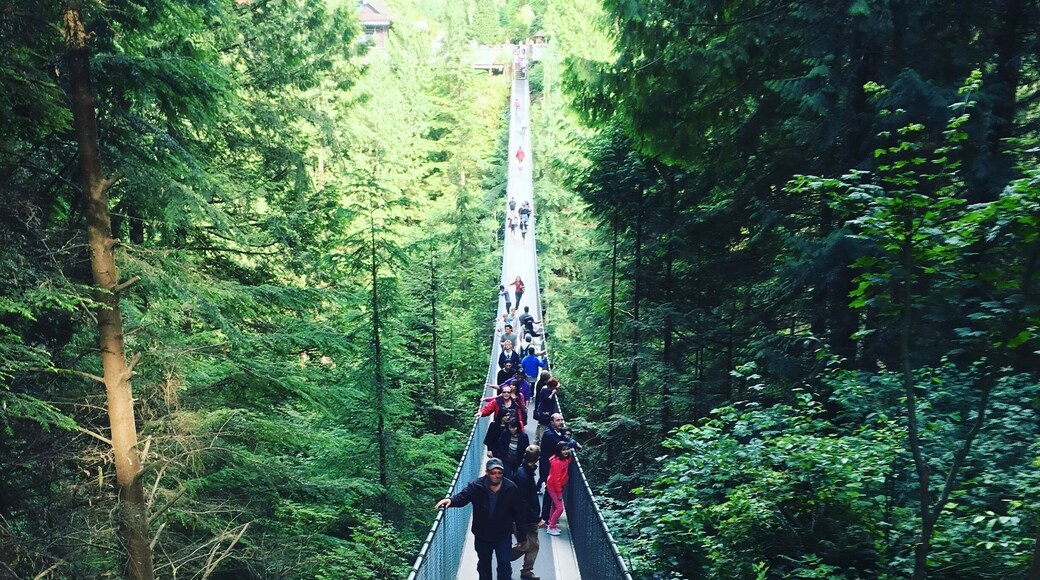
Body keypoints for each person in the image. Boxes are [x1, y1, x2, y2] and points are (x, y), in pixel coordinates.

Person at [436, 458, 527, 580]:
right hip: (482, 535)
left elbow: (519, 514)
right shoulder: (476, 486)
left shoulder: (511, 488)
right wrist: (451, 500)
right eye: (493, 473)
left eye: (499, 473)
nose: (497, 476)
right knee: (484, 565)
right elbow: (463, 497)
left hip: (503, 535)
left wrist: (521, 537)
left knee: (504, 564)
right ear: (487, 473)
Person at [511, 445, 545, 580]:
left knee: (534, 545)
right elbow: (522, 502)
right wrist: (537, 519)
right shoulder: (522, 475)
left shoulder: (527, 470)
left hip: (529, 516)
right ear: (538, 458)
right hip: (522, 517)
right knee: (526, 545)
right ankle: (503, 555)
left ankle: (526, 571)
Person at [545, 442, 573, 536]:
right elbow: (556, 479)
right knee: (560, 508)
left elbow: (568, 460)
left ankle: (551, 523)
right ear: (559, 451)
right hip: (554, 487)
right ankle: (551, 526)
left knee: (554, 505)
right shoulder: (557, 463)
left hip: (556, 485)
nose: (566, 451)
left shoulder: (563, 460)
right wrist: (559, 493)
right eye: (563, 449)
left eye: (567, 449)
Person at [534, 378, 560, 444]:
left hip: (545, 412)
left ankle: (536, 442)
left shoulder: (549, 388)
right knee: (542, 429)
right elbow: (547, 400)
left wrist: (556, 388)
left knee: (540, 426)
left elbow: (558, 385)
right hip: (543, 413)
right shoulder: (545, 390)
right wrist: (552, 394)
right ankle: (540, 444)